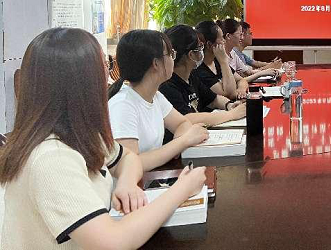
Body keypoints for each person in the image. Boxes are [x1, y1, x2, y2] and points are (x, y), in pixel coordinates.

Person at [0, 28, 206, 249]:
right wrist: (182, 189)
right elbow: (113, 242)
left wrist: (127, 183)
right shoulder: (51, 158)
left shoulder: (77, 134)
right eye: (104, 68)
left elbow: (128, 158)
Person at [108, 30, 209, 171]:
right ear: (156, 63)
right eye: (171, 54)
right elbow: (128, 165)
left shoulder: (155, 96)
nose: (173, 59)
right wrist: (182, 142)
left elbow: (182, 123)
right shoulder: (123, 105)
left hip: (152, 177)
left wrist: (177, 144)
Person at [160, 24, 246, 141]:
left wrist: (229, 105)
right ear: (191, 55)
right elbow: (187, 118)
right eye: (200, 47)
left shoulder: (191, 76)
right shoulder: (167, 85)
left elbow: (214, 99)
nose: (203, 51)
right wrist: (231, 115)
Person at [193, 20, 251, 99]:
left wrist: (241, 89)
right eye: (221, 38)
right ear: (209, 45)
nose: (224, 41)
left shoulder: (216, 61)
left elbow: (241, 80)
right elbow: (230, 94)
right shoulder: (200, 70)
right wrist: (224, 62)